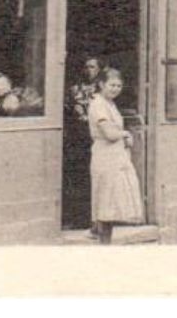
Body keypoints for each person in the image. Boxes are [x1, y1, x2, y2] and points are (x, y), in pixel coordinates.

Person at [87, 68, 143, 244]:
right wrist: (125, 134)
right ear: (102, 84)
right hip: (105, 156)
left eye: (119, 85)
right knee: (106, 201)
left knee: (110, 202)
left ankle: (105, 241)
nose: (115, 89)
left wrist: (123, 136)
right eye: (112, 85)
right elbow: (109, 134)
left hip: (114, 156)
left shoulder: (110, 104)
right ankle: (104, 244)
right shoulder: (98, 104)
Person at [63, 56, 104, 228]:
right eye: (86, 67)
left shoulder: (104, 88)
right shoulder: (75, 88)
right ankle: (78, 218)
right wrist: (73, 109)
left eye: (93, 67)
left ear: (99, 69)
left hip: (97, 136)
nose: (89, 70)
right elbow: (66, 107)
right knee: (79, 176)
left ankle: (96, 219)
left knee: (96, 176)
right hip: (78, 135)